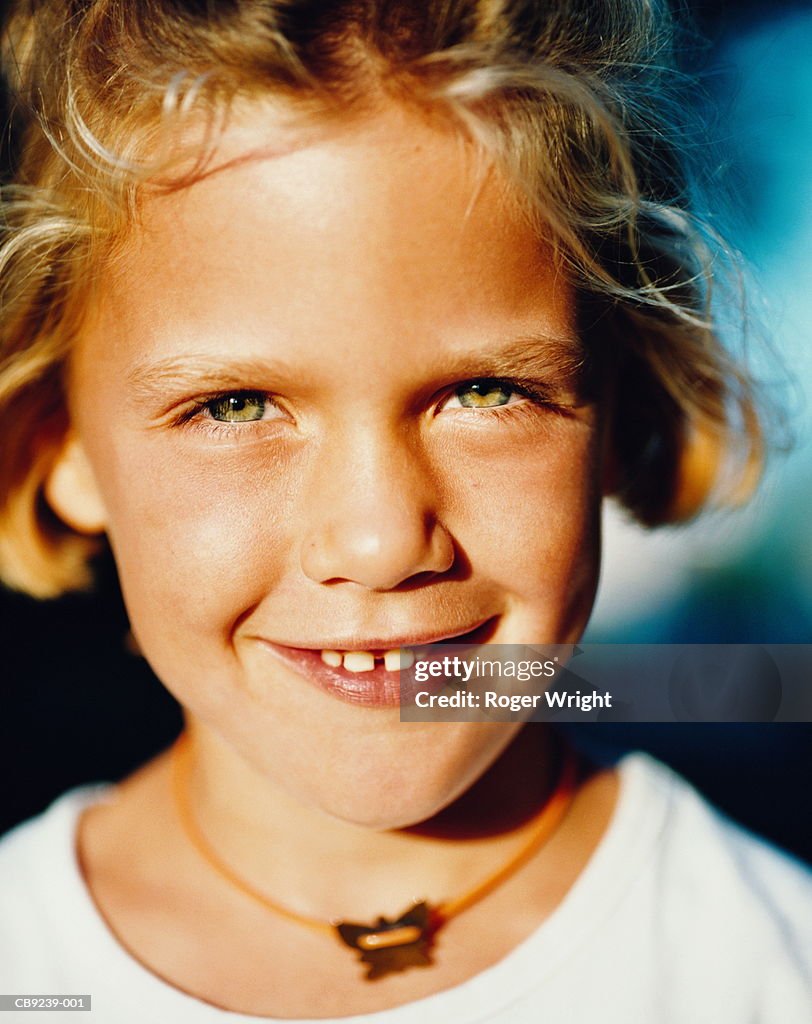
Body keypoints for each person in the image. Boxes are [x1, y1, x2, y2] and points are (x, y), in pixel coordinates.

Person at [0, 1, 809, 1021]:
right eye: (234, 405)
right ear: (54, 444)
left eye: (484, 392)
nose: (381, 542)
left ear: (618, 406)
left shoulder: (763, 971)